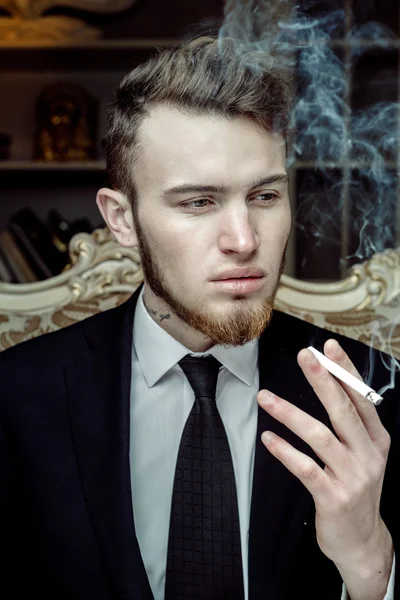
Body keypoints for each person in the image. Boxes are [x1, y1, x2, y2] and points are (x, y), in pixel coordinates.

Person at [0, 36, 398, 600]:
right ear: (121, 219)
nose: (244, 241)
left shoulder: (375, 392)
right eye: (197, 202)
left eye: (264, 196)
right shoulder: (16, 396)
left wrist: (370, 559)